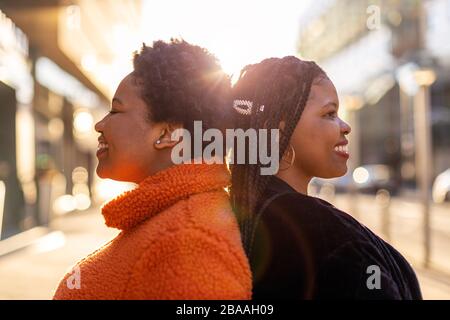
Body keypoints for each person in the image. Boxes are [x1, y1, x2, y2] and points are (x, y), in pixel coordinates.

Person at [53, 39, 251, 299]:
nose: (100, 125)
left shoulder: (191, 243)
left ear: (167, 134)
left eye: (115, 110)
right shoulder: (175, 224)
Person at [229, 56, 422, 299]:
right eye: (329, 113)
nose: (345, 126)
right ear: (278, 131)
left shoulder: (242, 215)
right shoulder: (325, 236)